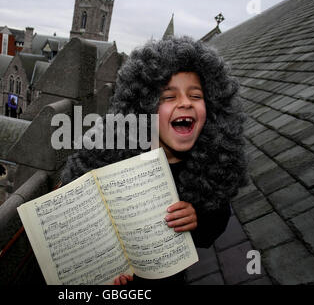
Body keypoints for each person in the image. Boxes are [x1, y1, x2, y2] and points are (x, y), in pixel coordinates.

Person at [60, 36, 248, 285]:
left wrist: (197, 220)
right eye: (168, 97)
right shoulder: (108, 157)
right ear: (144, 108)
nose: (185, 103)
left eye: (196, 95)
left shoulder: (210, 167)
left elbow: (216, 222)